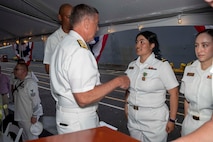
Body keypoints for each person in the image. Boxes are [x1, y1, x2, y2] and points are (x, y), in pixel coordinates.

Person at [50, 4, 130, 134]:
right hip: (79, 120)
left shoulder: (63, 44)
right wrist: (118, 81)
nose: (97, 28)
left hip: (68, 117)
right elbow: (83, 98)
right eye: (96, 23)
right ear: (86, 23)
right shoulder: (79, 51)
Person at [124, 31, 179, 142]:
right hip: (133, 119)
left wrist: (172, 120)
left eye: (142, 42)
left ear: (152, 45)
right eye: (136, 42)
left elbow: (174, 93)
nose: (137, 45)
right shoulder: (132, 66)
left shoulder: (161, 65)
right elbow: (129, 89)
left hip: (154, 121)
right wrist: (126, 106)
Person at [173, 29, 213, 142]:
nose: (199, 50)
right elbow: (187, 100)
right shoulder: (190, 68)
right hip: (189, 124)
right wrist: (185, 123)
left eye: (205, 45)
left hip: (209, 127)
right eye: (196, 45)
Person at [13, 63, 43, 141]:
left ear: (24, 71)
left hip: (28, 117)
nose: (14, 71)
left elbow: (36, 101)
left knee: (32, 138)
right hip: (21, 116)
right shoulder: (18, 82)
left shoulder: (30, 83)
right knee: (25, 138)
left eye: (16, 69)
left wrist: (35, 115)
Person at [43, 3, 73, 74]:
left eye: (73, 17)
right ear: (60, 17)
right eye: (68, 17)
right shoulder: (53, 39)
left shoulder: (79, 36)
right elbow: (48, 68)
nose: (72, 20)